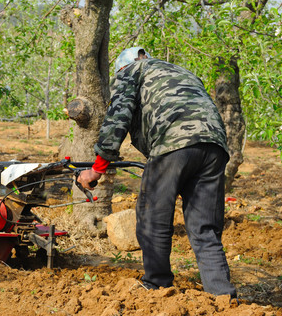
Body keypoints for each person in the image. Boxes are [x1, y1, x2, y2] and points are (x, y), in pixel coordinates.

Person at [77, 47, 237, 298]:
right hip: (214, 145)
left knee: (153, 219)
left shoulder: (131, 71)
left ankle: (157, 288)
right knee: (205, 229)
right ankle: (223, 296)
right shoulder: (183, 72)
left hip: (173, 141)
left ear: (122, 67)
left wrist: (97, 168)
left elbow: (119, 115)